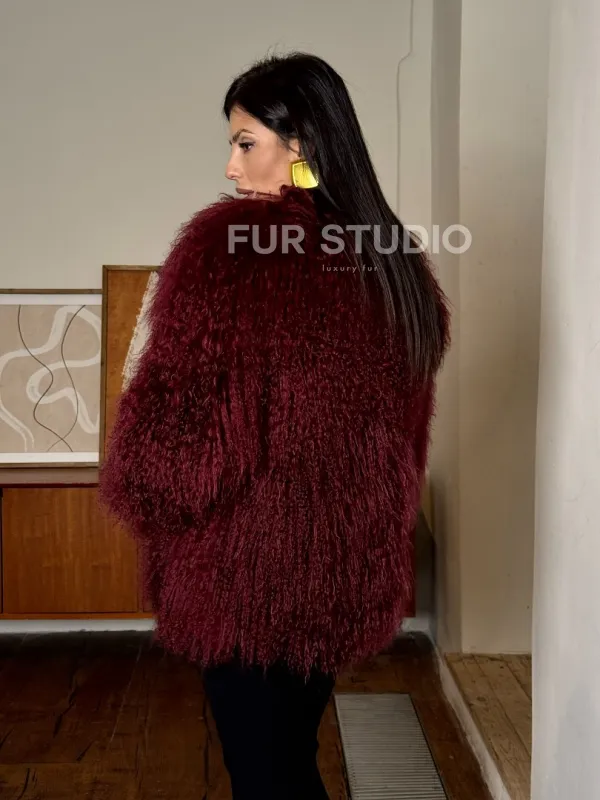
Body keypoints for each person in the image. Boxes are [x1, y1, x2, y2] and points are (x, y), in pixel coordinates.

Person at [98, 52, 450, 800]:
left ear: (302, 144)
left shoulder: (231, 254)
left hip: (245, 579)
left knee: (265, 774)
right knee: (290, 759)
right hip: (337, 574)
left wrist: (142, 491)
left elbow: (183, 439)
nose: (230, 167)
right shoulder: (392, 263)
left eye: (245, 142)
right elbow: (403, 434)